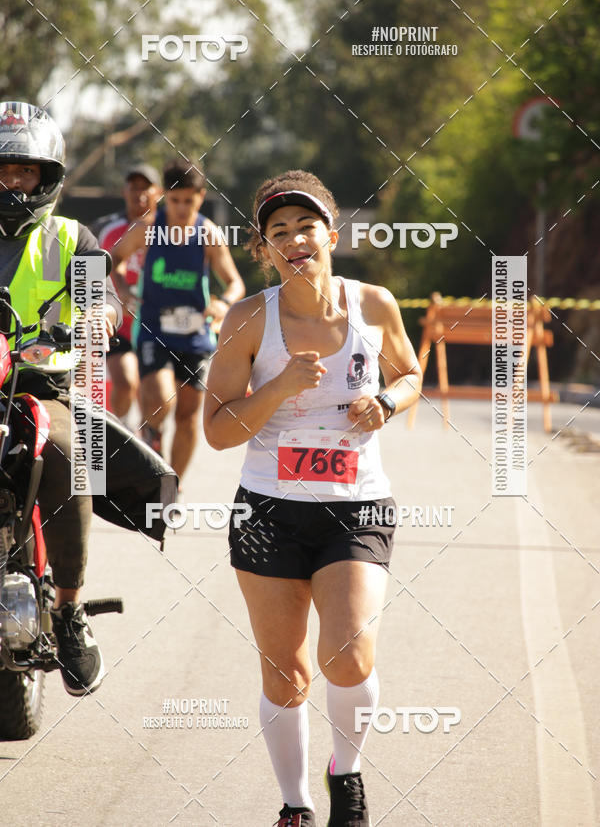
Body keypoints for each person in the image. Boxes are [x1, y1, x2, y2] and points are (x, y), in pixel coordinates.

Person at [204, 170, 423, 827]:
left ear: (331, 232)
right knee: (286, 672)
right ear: (263, 247)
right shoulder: (250, 320)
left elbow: (410, 373)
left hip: (355, 505)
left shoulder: (375, 304)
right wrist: (279, 388)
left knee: (349, 651)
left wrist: (385, 402)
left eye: (306, 227)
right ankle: (295, 803)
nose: (295, 240)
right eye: (279, 233)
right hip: (269, 509)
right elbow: (215, 430)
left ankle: (346, 777)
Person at [0, 101, 122, 696]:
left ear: (47, 178)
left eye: (26, 172)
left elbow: (102, 296)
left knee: (76, 455)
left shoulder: (71, 237)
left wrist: (97, 315)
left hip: (43, 388)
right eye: (4, 170)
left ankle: (70, 612)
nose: (15, 182)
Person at [112, 159, 245, 480]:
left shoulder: (208, 233)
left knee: (187, 417)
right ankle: (151, 446)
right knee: (158, 400)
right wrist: (126, 293)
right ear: (164, 199)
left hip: (195, 335)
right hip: (154, 328)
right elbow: (115, 259)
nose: (182, 207)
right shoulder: (148, 228)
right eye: (175, 200)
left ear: (201, 197)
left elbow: (235, 283)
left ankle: (174, 487)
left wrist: (223, 304)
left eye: (190, 200)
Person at [95, 163, 162, 423]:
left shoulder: (171, 230)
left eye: (146, 187)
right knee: (125, 384)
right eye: (134, 187)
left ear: (159, 192)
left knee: (155, 397)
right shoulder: (107, 230)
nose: (140, 194)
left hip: (157, 326)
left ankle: (150, 444)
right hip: (120, 325)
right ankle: (121, 436)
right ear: (124, 191)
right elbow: (94, 272)